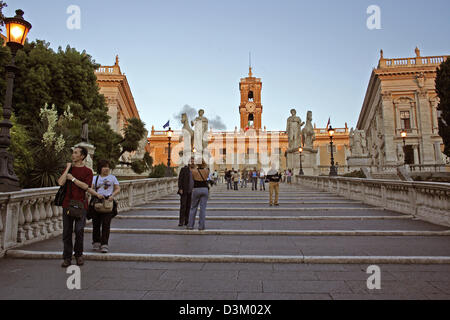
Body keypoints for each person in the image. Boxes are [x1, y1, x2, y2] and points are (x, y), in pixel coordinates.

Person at [58, 146, 101, 268]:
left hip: (81, 205)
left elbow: (86, 186)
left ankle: (78, 255)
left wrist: (73, 179)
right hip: (67, 204)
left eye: (76, 153)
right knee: (66, 232)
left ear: (82, 156)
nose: (73, 155)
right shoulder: (69, 169)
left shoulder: (87, 171)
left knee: (79, 230)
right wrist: (67, 169)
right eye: (73, 152)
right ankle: (67, 257)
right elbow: (60, 182)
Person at [91, 159, 120, 254]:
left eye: (107, 167)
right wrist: (96, 194)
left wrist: (112, 195)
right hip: (97, 202)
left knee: (106, 224)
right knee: (96, 223)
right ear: (100, 168)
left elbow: (117, 188)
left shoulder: (112, 178)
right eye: (104, 167)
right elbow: (90, 189)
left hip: (108, 202)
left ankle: (104, 244)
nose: (106, 169)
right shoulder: (95, 178)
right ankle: (96, 241)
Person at [187, 161, 210, 231]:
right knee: (203, 209)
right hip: (205, 189)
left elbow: (191, 182)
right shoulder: (207, 171)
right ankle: (201, 226)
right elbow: (208, 179)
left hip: (196, 189)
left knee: (193, 207)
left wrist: (190, 190)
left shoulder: (193, 171)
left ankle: (190, 225)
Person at [178, 157, 194, 227]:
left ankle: (186, 221)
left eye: (193, 161)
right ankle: (181, 221)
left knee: (189, 206)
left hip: (191, 191)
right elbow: (180, 179)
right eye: (191, 161)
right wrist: (180, 188)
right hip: (184, 190)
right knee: (183, 206)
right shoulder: (184, 169)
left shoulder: (195, 170)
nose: (192, 162)